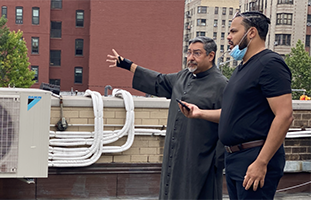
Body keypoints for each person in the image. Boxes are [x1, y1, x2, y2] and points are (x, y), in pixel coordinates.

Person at [179, 12, 293, 200]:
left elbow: (284, 115)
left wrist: (261, 162)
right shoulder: (243, 67)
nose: (229, 37)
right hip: (235, 158)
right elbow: (234, 114)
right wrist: (199, 113)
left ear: (251, 33)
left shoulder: (270, 64)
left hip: (254, 157)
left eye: (233, 31)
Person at [106, 36, 228, 200]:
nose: (190, 58)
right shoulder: (183, 77)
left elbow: (228, 121)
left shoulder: (221, 84)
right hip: (176, 154)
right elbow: (159, 80)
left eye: (197, 53)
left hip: (201, 160)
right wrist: (127, 65)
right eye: (189, 52)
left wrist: (216, 160)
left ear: (211, 56)